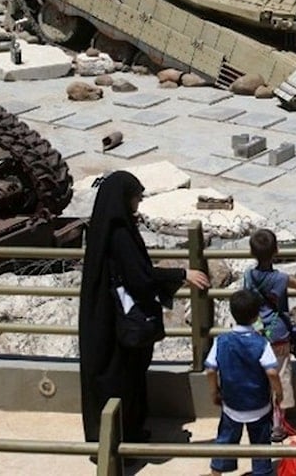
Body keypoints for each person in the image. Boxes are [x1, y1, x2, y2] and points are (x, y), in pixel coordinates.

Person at [78, 171, 209, 446]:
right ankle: (120, 443)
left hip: (102, 320)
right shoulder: (121, 234)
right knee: (121, 381)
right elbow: (139, 276)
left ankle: (112, 439)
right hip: (116, 324)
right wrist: (181, 274)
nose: (138, 202)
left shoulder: (103, 228)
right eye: (136, 197)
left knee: (111, 379)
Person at [243, 228, 296, 442]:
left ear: (251, 252)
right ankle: (278, 424)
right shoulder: (281, 278)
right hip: (279, 335)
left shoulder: (248, 275)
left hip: (257, 333)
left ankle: (261, 418)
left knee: (262, 376)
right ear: (276, 251)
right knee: (281, 377)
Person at [204, 289, 284, 476]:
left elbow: (210, 369)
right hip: (259, 406)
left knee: (225, 439)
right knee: (260, 443)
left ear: (232, 312)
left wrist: (214, 392)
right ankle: (261, 471)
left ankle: (217, 471)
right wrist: (278, 393)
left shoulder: (221, 340)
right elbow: (272, 372)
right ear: (256, 316)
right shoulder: (261, 343)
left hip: (231, 404)